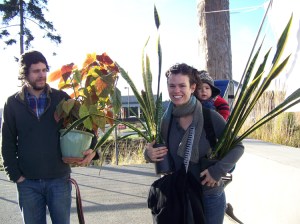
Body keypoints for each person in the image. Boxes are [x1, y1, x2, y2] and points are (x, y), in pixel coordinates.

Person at [1, 50, 97, 224]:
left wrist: (93, 150)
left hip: (59, 181)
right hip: (28, 184)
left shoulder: (61, 99)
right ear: (25, 74)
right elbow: (7, 144)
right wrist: (16, 176)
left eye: (44, 70)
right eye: (36, 71)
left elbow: (87, 126)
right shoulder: (12, 104)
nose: (42, 75)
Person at [144, 63, 244, 224]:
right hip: (179, 194)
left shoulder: (211, 117)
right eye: (172, 86)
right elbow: (153, 149)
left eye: (182, 85)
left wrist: (217, 170)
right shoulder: (165, 121)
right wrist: (148, 154)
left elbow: (238, 147)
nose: (176, 90)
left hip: (209, 195)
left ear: (192, 87)